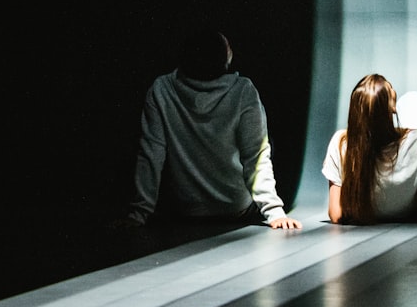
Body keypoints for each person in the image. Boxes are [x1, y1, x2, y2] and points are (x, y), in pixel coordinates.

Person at [123, 27, 301, 230]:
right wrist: (274, 211)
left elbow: (151, 154)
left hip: (185, 210)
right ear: (225, 58)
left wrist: (138, 214)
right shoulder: (243, 90)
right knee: (264, 142)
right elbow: (256, 155)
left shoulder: (162, 88)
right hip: (235, 208)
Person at [322, 74, 417, 225]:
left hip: (365, 213)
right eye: (391, 88)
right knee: (413, 100)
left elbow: (336, 214)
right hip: (407, 210)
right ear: (390, 108)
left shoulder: (340, 143)